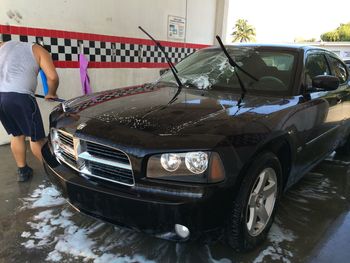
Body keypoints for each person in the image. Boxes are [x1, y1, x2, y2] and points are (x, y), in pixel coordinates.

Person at [0, 40, 59, 182]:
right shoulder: (41, 51)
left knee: (17, 134)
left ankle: (23, 170)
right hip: (20, 97)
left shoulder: (4, 45)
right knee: (36, 138)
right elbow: (52, 77)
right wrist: (51, 92)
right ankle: (53, 173)